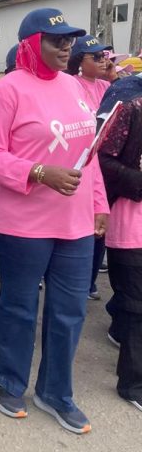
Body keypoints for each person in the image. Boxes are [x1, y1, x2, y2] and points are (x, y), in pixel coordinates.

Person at [0, 8, 109, 434]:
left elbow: (89, 153)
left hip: (76, 224)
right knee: (19, 307)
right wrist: (37, 172)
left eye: (70, 40)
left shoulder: (75, 87)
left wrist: (99, 203)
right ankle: (7, 379)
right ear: (32, 44)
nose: (66, 47)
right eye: (57, 40)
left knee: (70, 311)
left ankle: (55, 392)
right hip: (23, 224)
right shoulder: (8, 90)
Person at [99, 96, 142, 412]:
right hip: (132, 224)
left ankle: (118, 330)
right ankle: (133, 383)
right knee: (137, 307)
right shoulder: (132, 111)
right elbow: (103, 162)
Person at [67, 34, 112, 301]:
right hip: (82, 163)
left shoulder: (106, 86)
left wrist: (113, 75)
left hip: (105, 161)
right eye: (96, 57)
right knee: (84, 226)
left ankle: (90, 281)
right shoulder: (73, 84)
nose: (103, 61)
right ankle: (78, 281)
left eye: (104, 56)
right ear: (79, 61)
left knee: (101, 227)